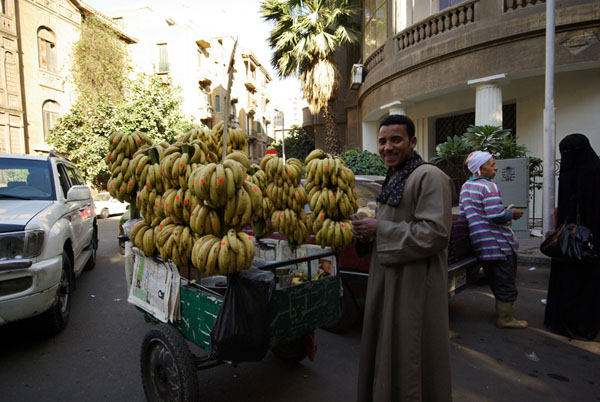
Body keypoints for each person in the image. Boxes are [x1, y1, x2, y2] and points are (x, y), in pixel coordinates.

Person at [354, 114, 454, 402]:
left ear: (412, 142)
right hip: (387, 284)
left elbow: (435, 233)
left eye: (396, 140)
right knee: (387, 350)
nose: (387, 147)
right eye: (382, 141)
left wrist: (380, 229)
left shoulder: (429, 176)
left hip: (414, 287)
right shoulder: (396, 176)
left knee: (411, 355)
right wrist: (368, 232)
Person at [459, 151, 527, 329]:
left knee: (496, 279)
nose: (496, 168)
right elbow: (495, 214)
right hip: (498, 243)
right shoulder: (488, 186)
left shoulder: (466, 186)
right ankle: (505, 318)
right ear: (481, 169)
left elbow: (464, 214)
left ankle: (502, 312)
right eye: (492, 164)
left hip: (480, 243)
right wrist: (512, 213)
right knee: (505, 280)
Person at [544, 133, 600, 341]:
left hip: (578, 238)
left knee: (577, 281)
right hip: (575, 237)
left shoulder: (586, 173)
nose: (566, 156)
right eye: (563, 152)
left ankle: (575, 324)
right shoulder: (590, 169)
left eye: (569, 152)